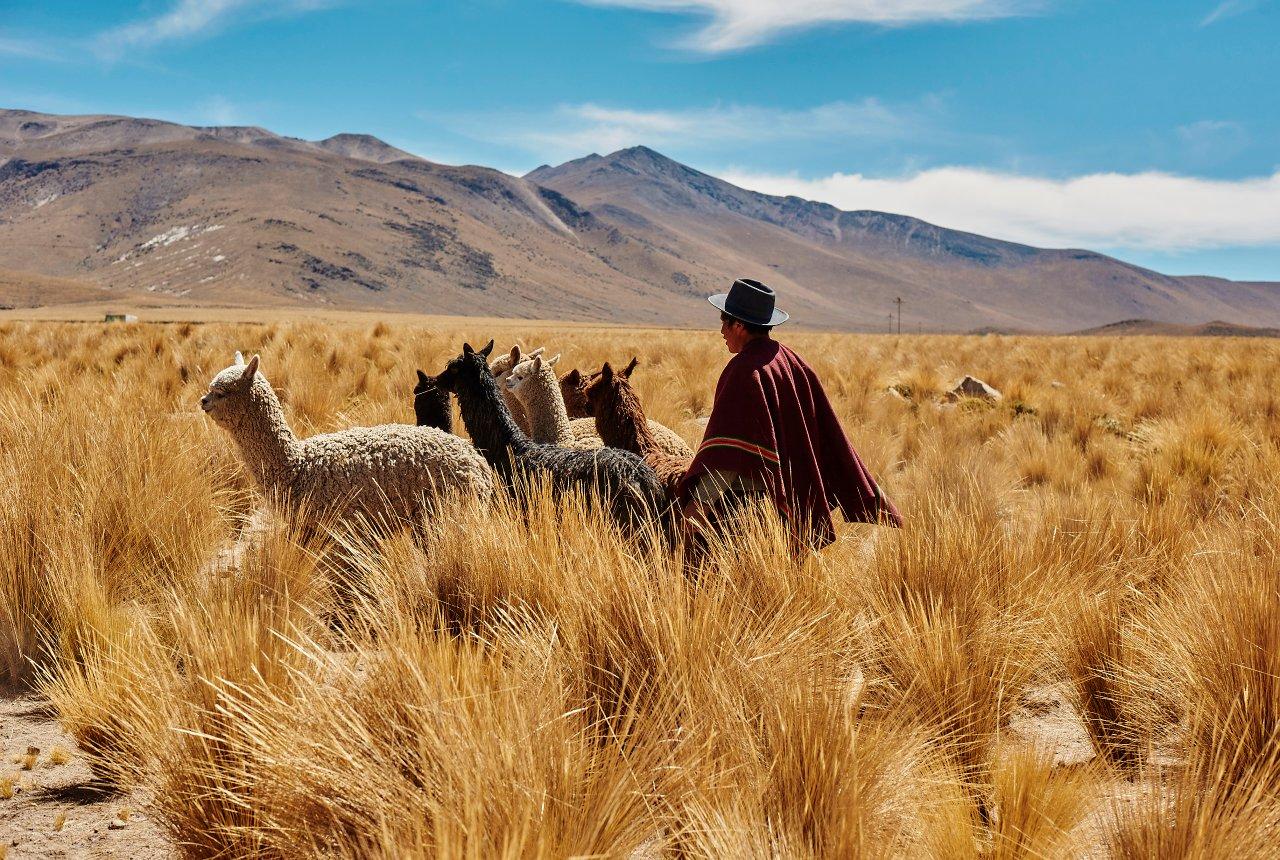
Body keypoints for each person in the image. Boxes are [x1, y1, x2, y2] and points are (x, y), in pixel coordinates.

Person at [677, 278, 902, 550]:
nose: (721, 330)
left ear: (739, 325)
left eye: (724, 321)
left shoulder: (745, 372)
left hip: (749, 504)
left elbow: (726, 455)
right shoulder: (789, 360)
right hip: (791, 495)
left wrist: (695, 512)